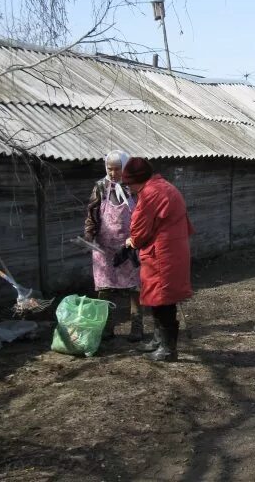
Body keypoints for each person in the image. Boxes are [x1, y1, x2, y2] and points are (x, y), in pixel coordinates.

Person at [122, 157, 194, 362]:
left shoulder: (151, 193)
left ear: (138, 179)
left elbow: (139, 228)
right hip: (170, 250)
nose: (129, 188)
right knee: (158, 297)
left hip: (162, 254)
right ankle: (158, 341)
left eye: (129, 184)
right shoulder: (164, 186)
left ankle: (168, 349)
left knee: (163, 300)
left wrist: (131, 242)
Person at [84, 150, 142, 341]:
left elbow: (141, 213)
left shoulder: (132, 187)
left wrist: (139, 237)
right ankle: (107, 327)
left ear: (124, 168)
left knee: (134, 286)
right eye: (110, 169)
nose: (113, 173)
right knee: (104, 286)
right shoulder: (100, 187)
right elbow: (92, 213)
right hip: (104, 247)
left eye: (117, 169)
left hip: (129, 244)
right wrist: (89, 234)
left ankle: (136, 327)